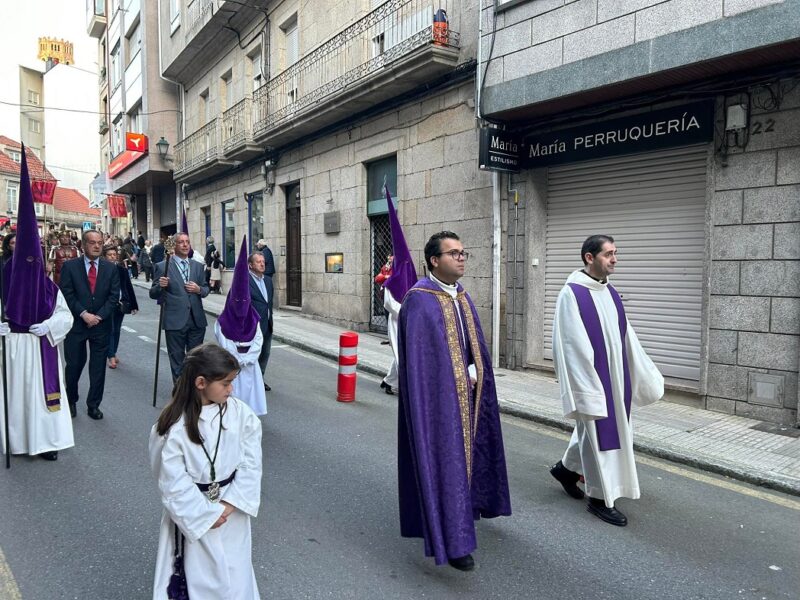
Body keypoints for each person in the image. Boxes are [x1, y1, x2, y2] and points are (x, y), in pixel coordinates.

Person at [397, 231, 511, 571]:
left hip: (470, 397)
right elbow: (422, 365)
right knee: (446, 463)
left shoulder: (460, 295)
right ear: (435, 260)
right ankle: (454, 541)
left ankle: (471, 508)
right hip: (440, 405)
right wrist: (456, 378)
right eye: (453, 253)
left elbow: (468, 344)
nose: (461, 258)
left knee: (470, 458)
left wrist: (474, 369)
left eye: (464, 252)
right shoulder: (419, 300)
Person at [549, 234, 664, 527]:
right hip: (594, 380)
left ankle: (565, 470)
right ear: (590, 257)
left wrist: (640, 373)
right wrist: (586, 389)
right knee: (601, 436)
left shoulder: (609, 291)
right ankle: (599, 499)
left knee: (596, 433)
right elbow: (570, 345)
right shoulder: (572, 294)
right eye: (608, 254)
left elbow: (625, 336)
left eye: (615, 253)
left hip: (616, 378)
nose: (614, 259)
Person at [149, 343, 262, 599]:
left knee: (235, 575)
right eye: (225, 383)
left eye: (233, 382)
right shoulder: (171, 429)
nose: (231, 389)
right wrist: (206, 514)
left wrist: (229, 503)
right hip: (194, 515)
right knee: (200, 581)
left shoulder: (241, 415)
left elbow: (251, 462)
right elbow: (170, 482)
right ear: (201, 382)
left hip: (231, 513)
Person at [0, 149, 74, 461]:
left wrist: (49, 326)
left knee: (43, 400)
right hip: (14, 348)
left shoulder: (50, 288)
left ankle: (47, 444)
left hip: (41, 344)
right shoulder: (4, 282)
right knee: (18, 398)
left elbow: (65, 316)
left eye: (35, 260)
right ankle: (16, 442)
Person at [60, 230, 121, 420]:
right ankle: (71, 400)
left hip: (101, 327)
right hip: (77, 325)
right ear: (83, 245)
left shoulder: (110, 268)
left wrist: (99, 316)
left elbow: (113, 297)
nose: (97, 246)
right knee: (74, 365)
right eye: (92, 243)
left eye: (100, 243)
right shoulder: (70, 267)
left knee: (97, 369)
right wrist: (83, 314)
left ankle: (93, 405)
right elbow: (67, 294)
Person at [214, 239, 267, 415]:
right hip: (232, 367)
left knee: (251, 401)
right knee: (232, 399)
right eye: (237, 301)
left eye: (244, 301)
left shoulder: (254, 318)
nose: (241, 305)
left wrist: (248, 359)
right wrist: (236, 360)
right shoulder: (223, 321)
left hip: (250, 366)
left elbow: (258, 340)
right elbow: (225, 344)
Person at [150, 232, 210, 381]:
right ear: (174, 246)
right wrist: (160, 286)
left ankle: (193, 390)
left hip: (196, 320)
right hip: (175, 320)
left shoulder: (197, 266)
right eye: (181, 242)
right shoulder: (163, 266)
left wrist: (199, 290)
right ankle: (180, 392)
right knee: (177, 359)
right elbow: (153, 293)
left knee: (195, 360)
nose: (185, 245)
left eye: (187, 242)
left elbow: (206, 288)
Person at [103, 246, 139, 369]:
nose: (113, 257)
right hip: (107, 304)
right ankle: (110, 356)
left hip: (121, 303)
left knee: (117, 329)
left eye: (114, 254)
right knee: (110, 330)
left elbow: (128, 287)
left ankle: (114, 351)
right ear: (104, 256)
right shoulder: (101, 270)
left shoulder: (121, 270)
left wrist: (134, 305)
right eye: (110, 255)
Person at [247, 252, 274, 393]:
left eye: (263, 261)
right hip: (252, 326)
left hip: (267, 324)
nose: (262, 264)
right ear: (250, 265)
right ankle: (250, 382)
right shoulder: (244, 281)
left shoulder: (268, 281)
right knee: (252, 355)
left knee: (265, 353)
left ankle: (259, 379)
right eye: (258, 262)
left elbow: (268, 303)